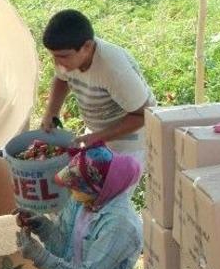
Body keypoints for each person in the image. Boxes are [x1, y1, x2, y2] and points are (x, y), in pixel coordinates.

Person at [12, 144, 143, 269]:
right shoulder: (82, 202)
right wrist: (42, 226)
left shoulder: (121, 225)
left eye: (76, 187)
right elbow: (64, 247)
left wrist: (39, 256)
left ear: (97, 188)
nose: (71, 190)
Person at [39, 9, 155, 167]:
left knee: (113, 190)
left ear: (87, 46)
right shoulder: (67, 57)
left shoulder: (114, 70)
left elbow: (144, 115)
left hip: (129, 141)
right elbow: (62, 79)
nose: (58, 63)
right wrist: (51, 113)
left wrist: (98, 137)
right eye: (53, 56)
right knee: (87, 186)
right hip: (99, 133)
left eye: (63, 57)